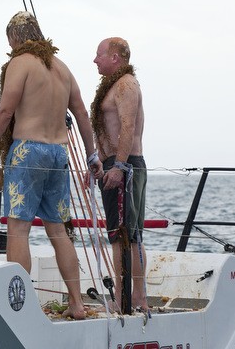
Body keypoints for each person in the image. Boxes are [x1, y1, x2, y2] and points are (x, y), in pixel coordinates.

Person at [0, 11, 102, 320]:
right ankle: (77, 303)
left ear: (15, 38)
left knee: (18, 230)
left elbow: (5, 110)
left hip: (27, 152)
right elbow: (82, 113)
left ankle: (20, 308)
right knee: (59, 231)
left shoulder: (21, 62)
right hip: (58, 154)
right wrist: (92, 155)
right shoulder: (62, 68)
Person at [91, 36, 148, 311]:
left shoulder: (126, 84)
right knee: (123, 233)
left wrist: (119, 166)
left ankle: (129, 298)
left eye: (99, 54)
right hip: (113, 163)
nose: (95, 60)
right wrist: (98, 163)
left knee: (126, 235)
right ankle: (132, 296)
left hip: (125, 165)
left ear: (115, 57)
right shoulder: (113, 85)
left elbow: (128, 126)